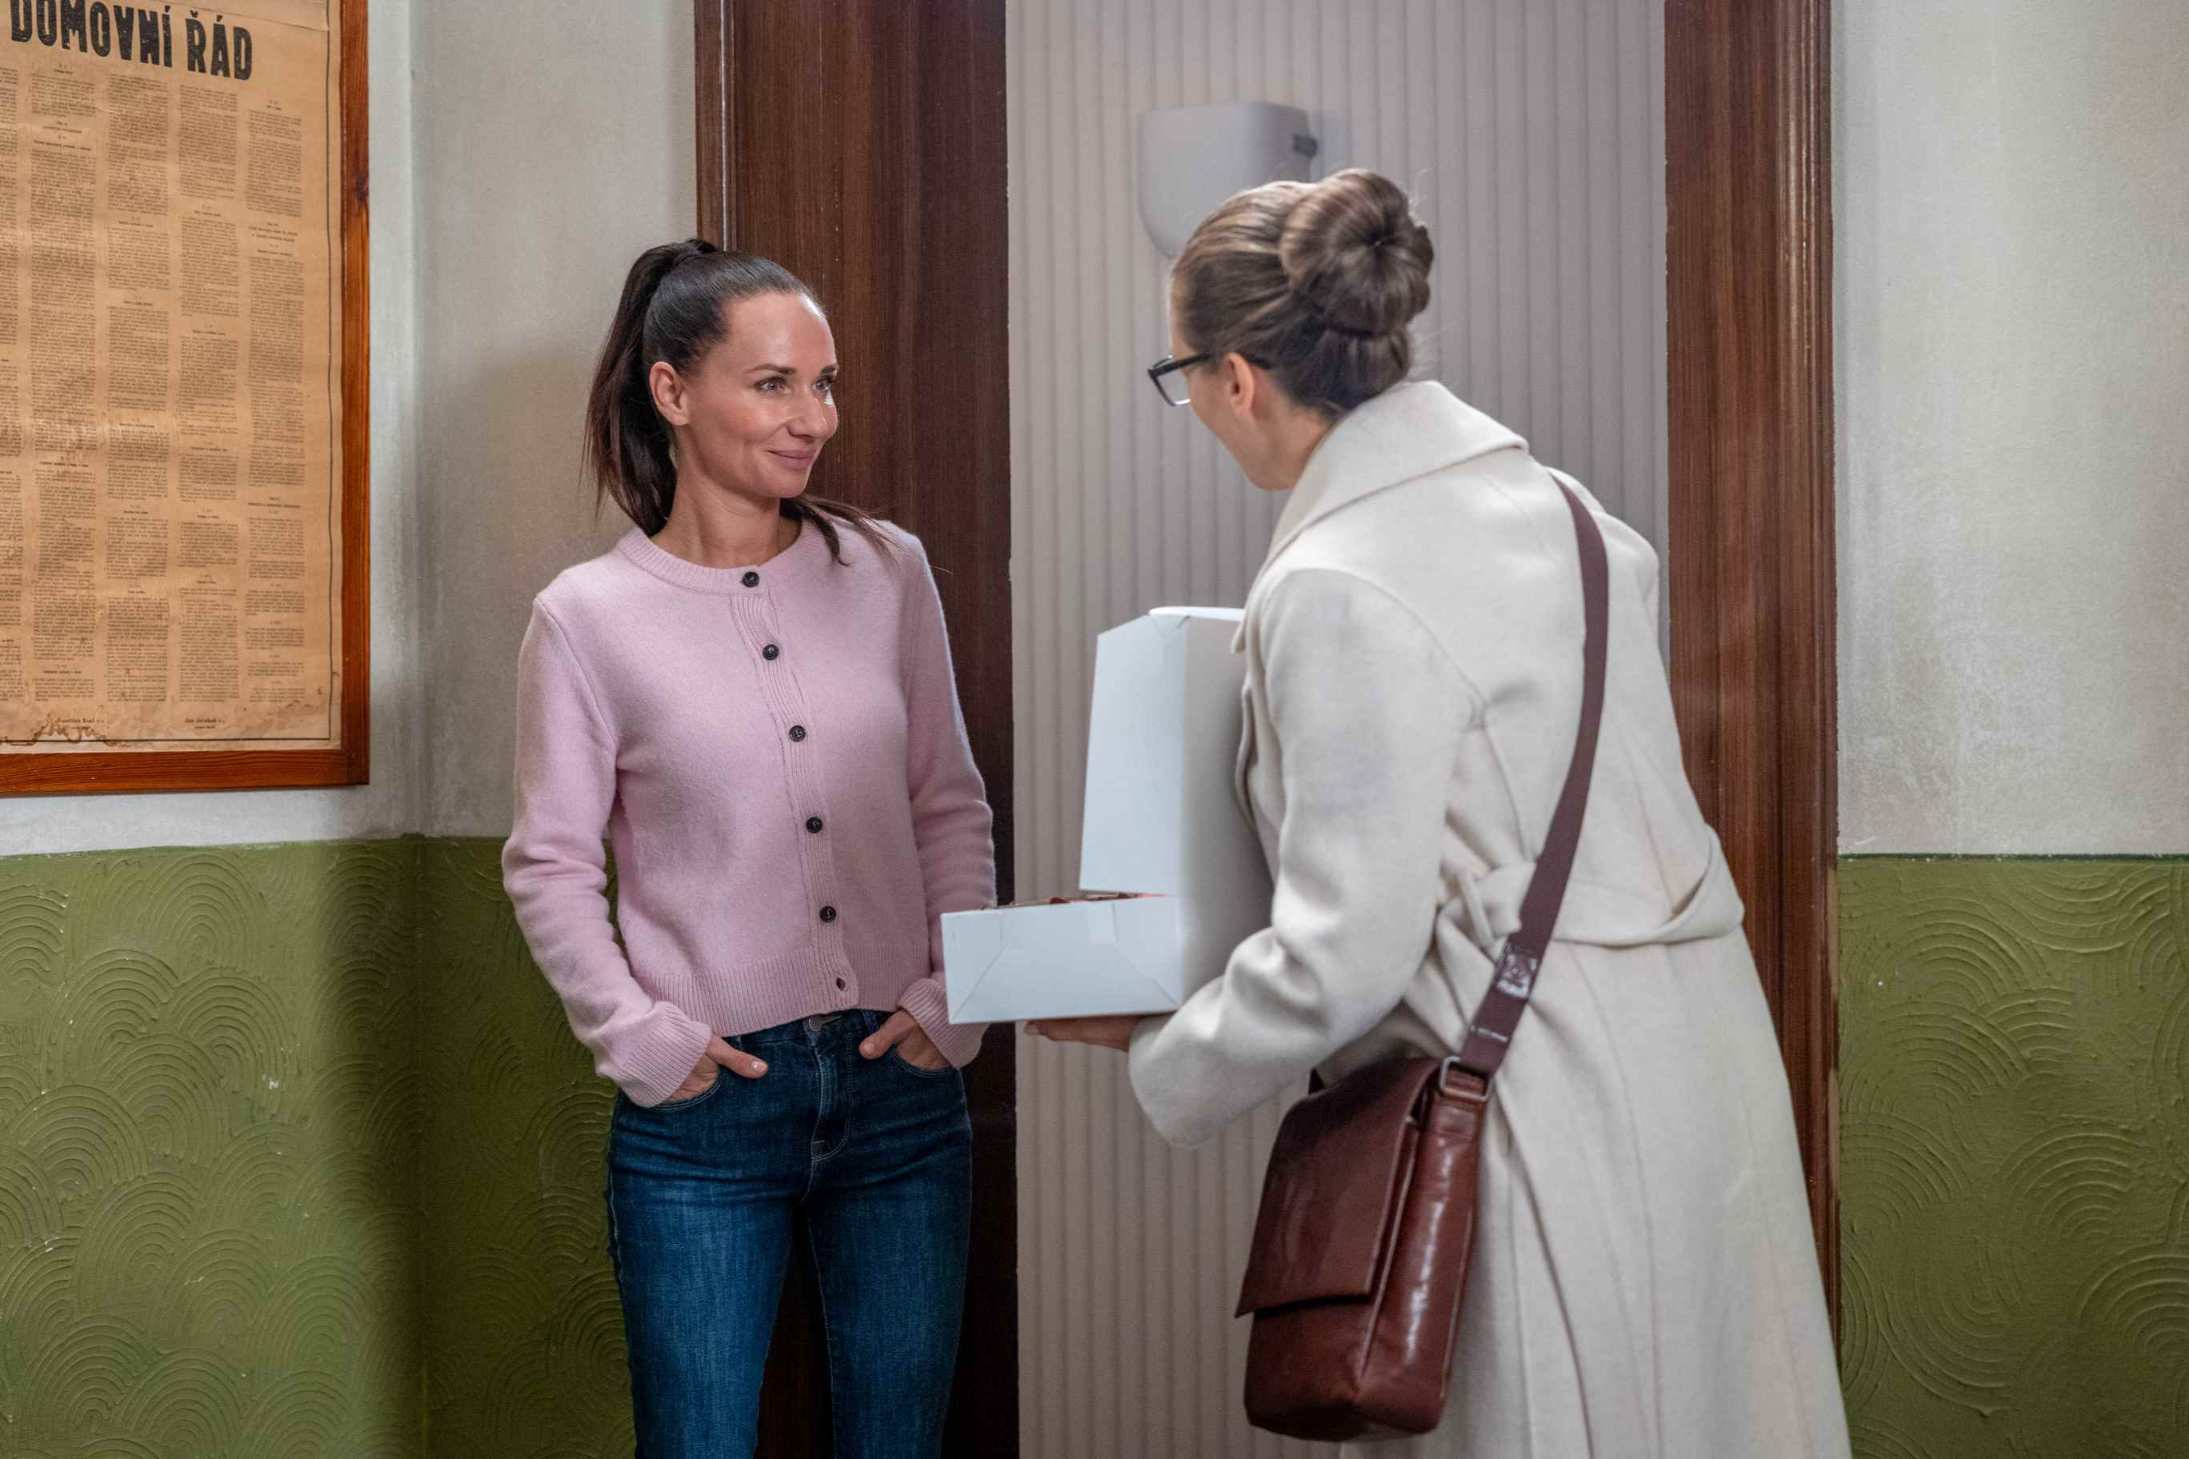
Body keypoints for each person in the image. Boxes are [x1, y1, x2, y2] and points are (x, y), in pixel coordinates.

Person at [1030, 170, 1852, 1458]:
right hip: (1699, 1079)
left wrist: (1162, 1045)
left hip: (1531, 1109)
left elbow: (1346, 954)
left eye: (1179, 378)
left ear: (1235, 378)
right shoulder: (1578, 521)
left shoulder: (1337, 583)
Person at [502, 239, 993, 1459]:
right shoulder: (586, 618)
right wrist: (639, 1038)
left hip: (902, 1089)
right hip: (705, 1113)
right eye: (773, 384)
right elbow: (549, 863)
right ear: (672, 391)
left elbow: (947, 801)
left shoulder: (885, 570)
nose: (812, 418)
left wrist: (957, 997)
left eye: (822, 384)